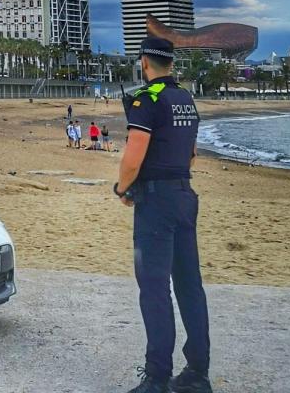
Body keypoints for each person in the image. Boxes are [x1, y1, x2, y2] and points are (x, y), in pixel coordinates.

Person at [114, 37, 211, 393]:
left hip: (157, 202)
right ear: (170, 63)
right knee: (190, 286)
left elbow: (134, 156)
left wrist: (122, 188)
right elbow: (191, 154)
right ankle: (198, 374)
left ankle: (157, 378)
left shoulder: (146, 99)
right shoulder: (185, 99)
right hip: (185, 195)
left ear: (144, 62)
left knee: (154, 289)